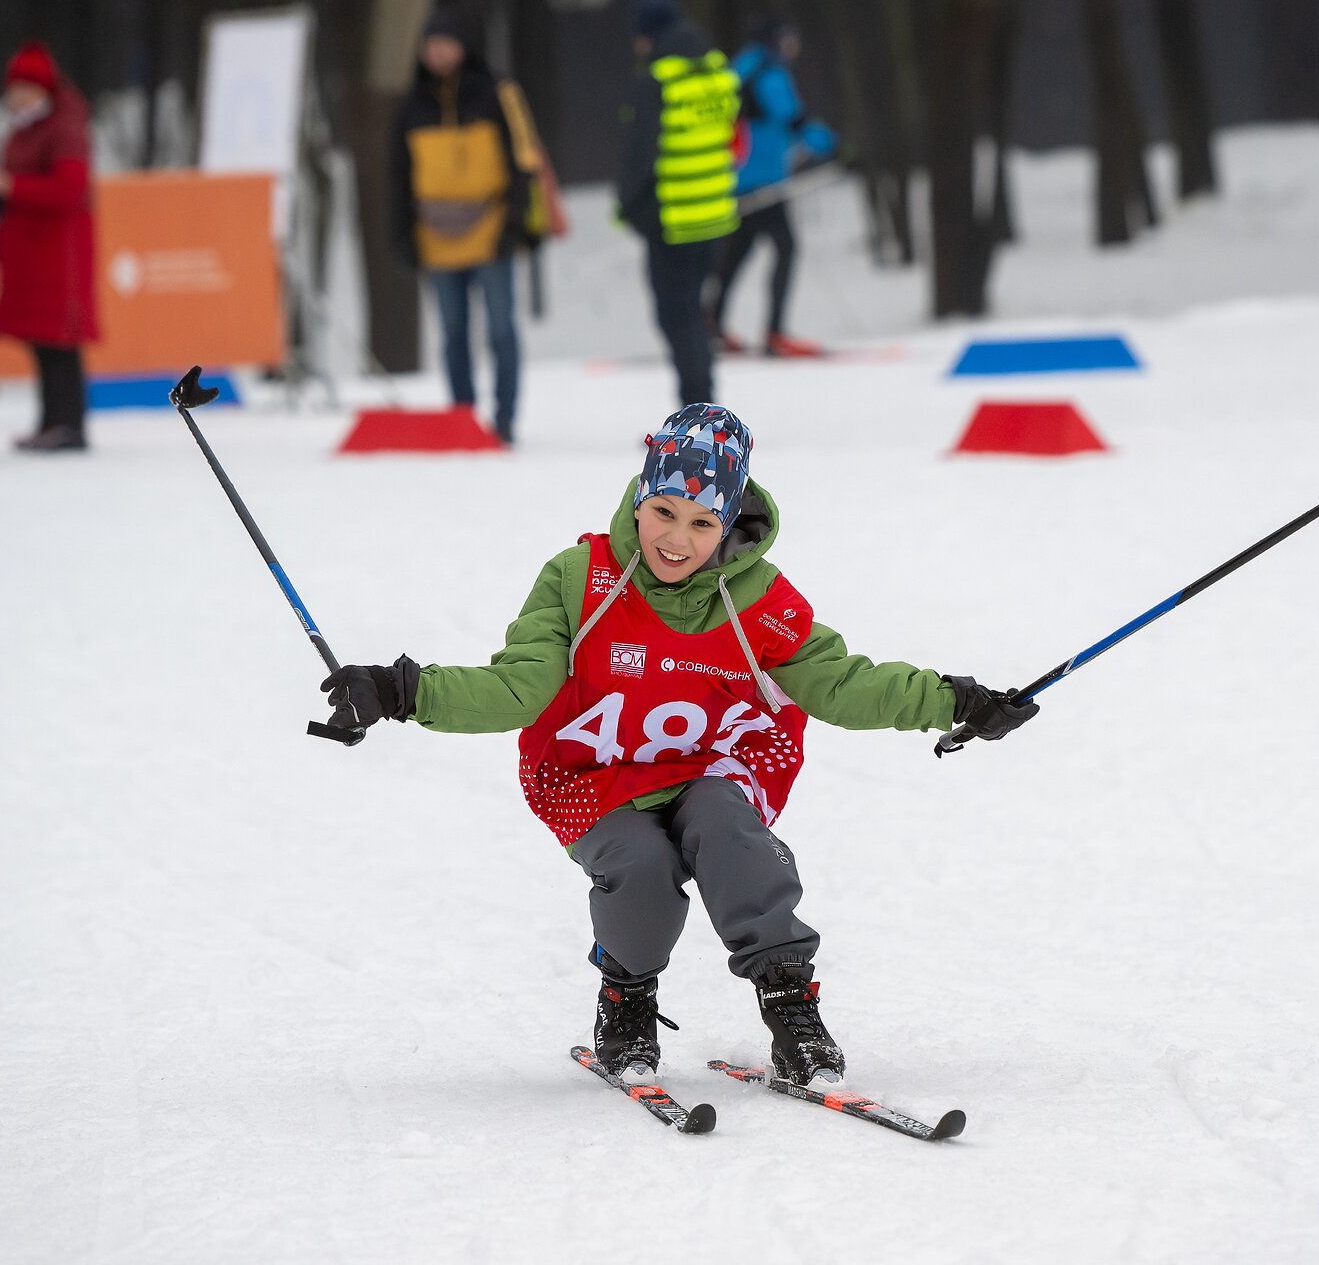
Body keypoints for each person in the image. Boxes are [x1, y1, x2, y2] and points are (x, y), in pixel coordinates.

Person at [317, 404, 1038, 1086]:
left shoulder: (760, 599)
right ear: (639, 500)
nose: (676, 539)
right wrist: (401, 691)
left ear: (728, 524)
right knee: (640, 865)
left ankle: (790, 1003)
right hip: (591, 772)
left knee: (730, 831)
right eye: (663, 511)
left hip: (711, 763)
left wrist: (955, 700)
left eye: (701, 523)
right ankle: (626, 996)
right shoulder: (579, 579)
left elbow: (842, 682)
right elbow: (517, 688)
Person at [389, 11, 531, 444]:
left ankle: (504, 419)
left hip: (491, 228)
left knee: (501, 330)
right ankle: (463, 419)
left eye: (445, 43)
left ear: (463, 47)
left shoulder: (496, 91)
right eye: (431, 45)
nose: (438, 53)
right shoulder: (411, 104)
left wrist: (515, 223)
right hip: (435, 236)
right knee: (453, 334)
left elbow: (523, 158)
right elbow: (398, 175)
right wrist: (403, 234)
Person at [617, 0, 741, 408]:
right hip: (717, 214)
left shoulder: (657, 79)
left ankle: (697, 411)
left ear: (647, 34)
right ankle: (703, 405)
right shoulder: (719, 71)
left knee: (676, 317)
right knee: (692, 314)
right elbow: (733, 136)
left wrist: (631, 207)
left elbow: (639, 154)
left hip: (674, 218)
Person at [0, 41, 99, 453]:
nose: (16, 97)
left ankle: (69, 425)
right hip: (32, 252)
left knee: (60, 341)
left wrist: (12, 187)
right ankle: (52, 421)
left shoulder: (64, 127)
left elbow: (71, 187)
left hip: (58, 254)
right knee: (42, 342)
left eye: (25, 88)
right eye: (13, 88)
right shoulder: (23, 129)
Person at [705, 19, 837, 359]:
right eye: (788, 40)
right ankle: (775, 332)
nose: (792, 48)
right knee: (786, 248)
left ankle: (710, 325)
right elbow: (793, 121)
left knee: (737, 252)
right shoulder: (770, 73)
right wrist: (832, 146)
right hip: (764, 182)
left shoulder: (739, 70)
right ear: (774, 41)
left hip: (737, 178)